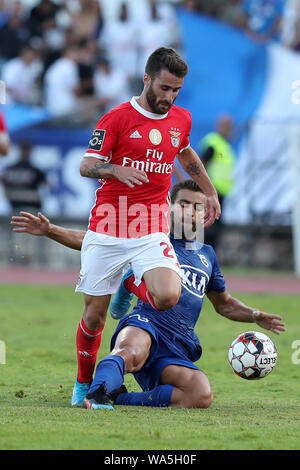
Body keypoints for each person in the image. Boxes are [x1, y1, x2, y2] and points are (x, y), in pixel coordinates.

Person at [11, 180, 285, 409]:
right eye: (184, 204)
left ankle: (120, 398)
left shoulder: (207, 255)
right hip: (147, 324)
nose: (191, 211)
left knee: (201, 395)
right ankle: (95, 393)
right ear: (169, 208)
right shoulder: (151, 236)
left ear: (204, 215)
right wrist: (50, 231)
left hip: (178, 344)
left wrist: (255, 315)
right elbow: (96, 241)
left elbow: (223, 303)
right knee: (129, 351)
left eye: (197, 207)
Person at [75, 46, 220, 405]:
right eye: (165, 88)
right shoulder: (116, 118)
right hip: (109, 223)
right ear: (147, 79)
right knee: (94, 317)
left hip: (151, 225)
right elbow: (86, 165)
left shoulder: (180, 119)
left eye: (176, 91)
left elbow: (184, 152)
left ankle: (129, 282)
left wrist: (209, 190)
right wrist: (115, 169)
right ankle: (82, 385)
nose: (169, 97)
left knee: (168, 296)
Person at [198, 114, 236, 250]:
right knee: (209, 226)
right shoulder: (213, 142)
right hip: (211, 191)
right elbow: (201, 164)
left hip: (221, 192)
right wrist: (202, 185)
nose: (230, 130)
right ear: (219, 126)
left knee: (216, 227)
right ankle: (203, 254)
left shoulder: (225, 145)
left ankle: (210, 256)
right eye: (227, 127)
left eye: (231, 127)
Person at [1, 140, 47, 213]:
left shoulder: (36, 170)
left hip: (32, 208)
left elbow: (47, 186)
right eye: (24, 149)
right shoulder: (34, 170)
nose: (26, 152)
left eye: (27, 149)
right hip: (17, 208)